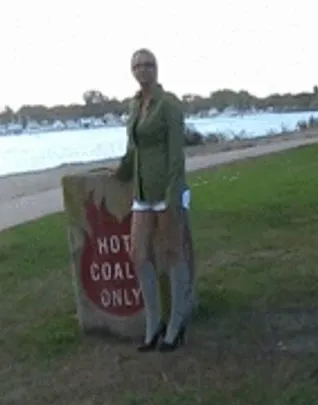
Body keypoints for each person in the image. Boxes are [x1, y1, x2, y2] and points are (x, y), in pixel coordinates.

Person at [113, 48, 193, 353]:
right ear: (132, 71)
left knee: (173, 252)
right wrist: (120, 171)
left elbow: (177, 154)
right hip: (142, 192)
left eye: (148, 64)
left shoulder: (169, 104)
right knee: (138, 253)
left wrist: (173, 197)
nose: (143, 70)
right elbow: (133, 148)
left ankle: (176, 322)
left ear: (156, 68)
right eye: (137, 66)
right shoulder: (135, 105)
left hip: (167, 190)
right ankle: (153, 321)